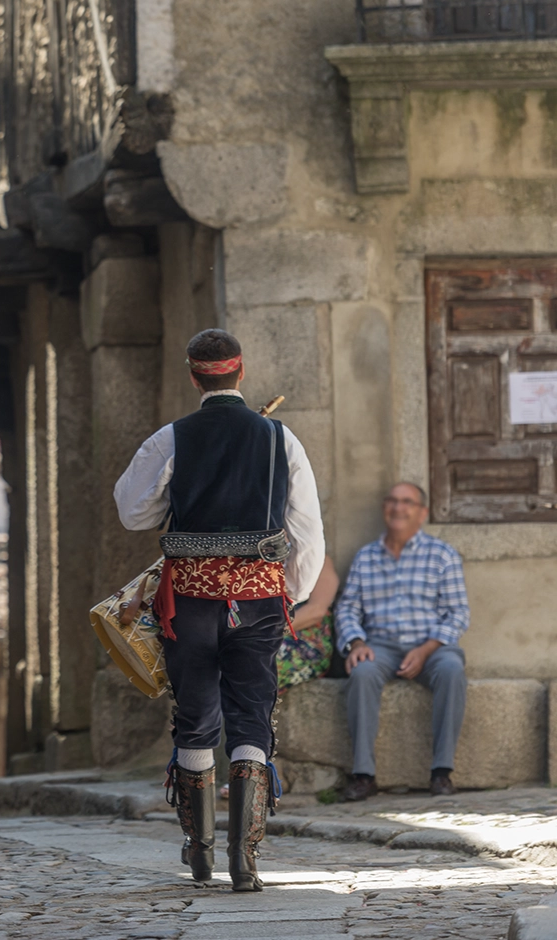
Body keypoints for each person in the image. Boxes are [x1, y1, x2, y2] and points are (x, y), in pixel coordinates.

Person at [114, 329, 324, 892]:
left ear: (193, 375)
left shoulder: (171, 439)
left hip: (188, 602)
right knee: (252, 715)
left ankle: (200, 852)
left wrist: (174, 501)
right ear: (241, 372)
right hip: (257, 601)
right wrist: (292, 593)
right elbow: (307, 532)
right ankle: (245, 859)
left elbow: (133, 512)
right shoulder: (283, 440)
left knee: (196, 715)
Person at [335, 482, 469, 801]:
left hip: (432, 646)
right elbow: (348, 606)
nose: (398, 508)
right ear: (385, 508)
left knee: (452, 671)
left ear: (422, 513)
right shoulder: (366, 557)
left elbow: (458, 613)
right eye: (392, 501)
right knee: (362, 672)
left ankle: (441, 772)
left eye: (407, 502)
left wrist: (426, 650)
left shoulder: (442, 555)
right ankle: (364, 775)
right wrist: (356, 642)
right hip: (380, 644)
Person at [278, 556, 341, 692]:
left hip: (306, 644)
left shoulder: (319, 560)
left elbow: (316, 611)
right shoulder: (262, 559)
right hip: (270, 637)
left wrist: (268, 631)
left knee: (259, 658)